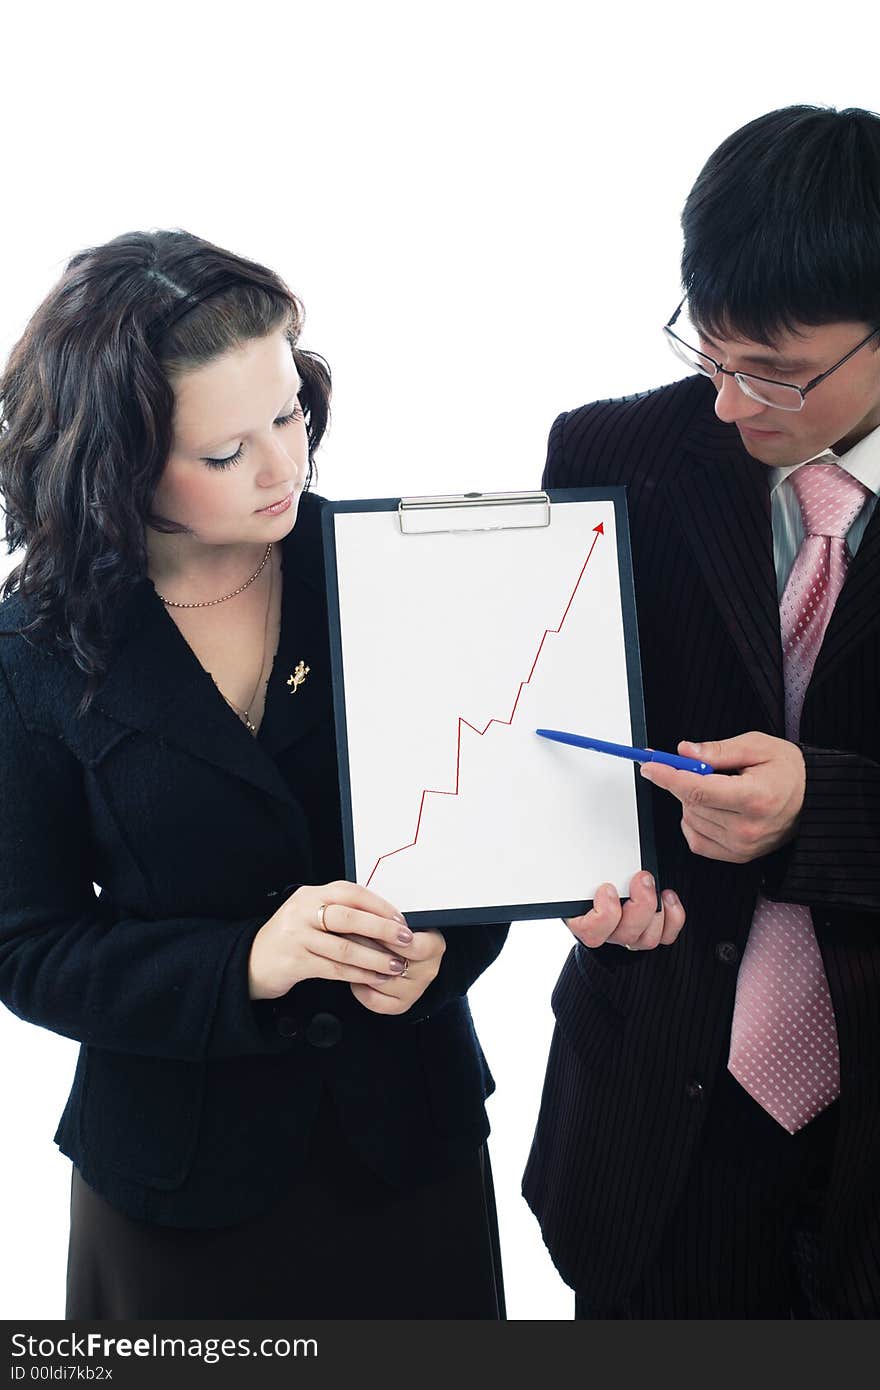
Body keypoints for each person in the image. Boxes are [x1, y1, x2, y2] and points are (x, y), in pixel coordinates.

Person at [0, 229, 508, 1319]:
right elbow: (28, 946)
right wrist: (243, 965)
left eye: (289, 413)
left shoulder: (395, 575)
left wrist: (444, 951)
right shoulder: (31, 647)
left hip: (405, 1148)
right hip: (176, 1182)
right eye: (226, 453)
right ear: (118, 463)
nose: (285, 466)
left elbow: (483, 839)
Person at [522, 104, 880, 1318]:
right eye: (707, 351)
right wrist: (570, 869)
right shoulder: (613, 452)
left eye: (775, 372)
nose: (729, 404)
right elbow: (548, 739)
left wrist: (815, 807)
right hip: (653, 1115)